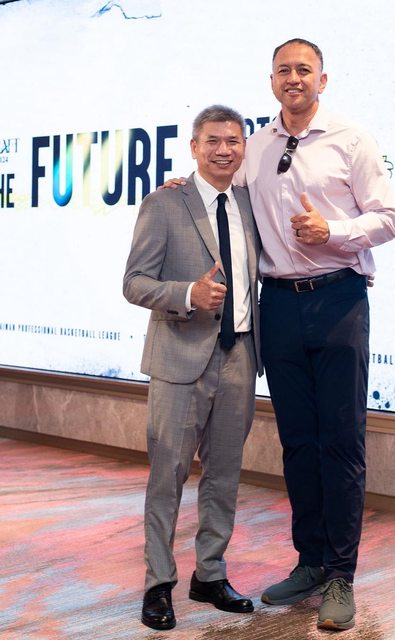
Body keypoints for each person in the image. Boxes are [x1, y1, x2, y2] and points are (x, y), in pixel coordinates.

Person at [163, 38, 395, 632]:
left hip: (340, 297)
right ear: (271, 81)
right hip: (280, 307)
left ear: (323, 79)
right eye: (283, 70)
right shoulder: (258, 146)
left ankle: (340, 574)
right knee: (297, 442)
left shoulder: (352, 139)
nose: (293, 78)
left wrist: (334, 231)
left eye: (304, 70)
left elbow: (388, 218)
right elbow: (216, 183)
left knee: (340, 442)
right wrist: (179, 187)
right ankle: (310, 561)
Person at [123, 105, 262, 631]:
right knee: (168, 475)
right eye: (213, 141)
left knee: (224, 474)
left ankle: (210, 574)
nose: (224, 150)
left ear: (243, 147)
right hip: (180, 357)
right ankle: (158, 582)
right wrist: (187, 294)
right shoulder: (164, 202)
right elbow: (135, 282)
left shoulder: (249, 203)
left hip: (240, 356)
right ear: (194, 147)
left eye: (233, 141)